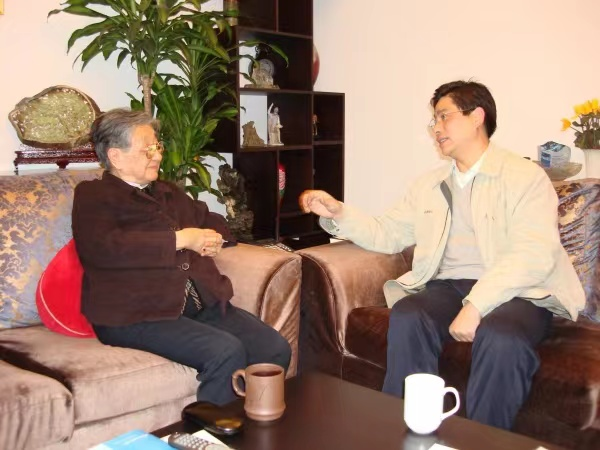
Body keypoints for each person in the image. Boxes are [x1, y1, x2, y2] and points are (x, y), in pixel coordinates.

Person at [299, 80, 585, 430]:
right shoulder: (429, 185)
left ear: (476, 117)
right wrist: (338, 213)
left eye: (444, 116)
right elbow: (388, 232)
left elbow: (533, 254)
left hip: (523, 292)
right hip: (451, 286)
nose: (436, 128)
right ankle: (406, 432)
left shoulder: (525, 178)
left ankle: (482, 441)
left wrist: (476, 305)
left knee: (501, 338)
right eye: (434, 120)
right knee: (409, 314)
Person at [72, 108, 291, 405]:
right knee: (225, 352)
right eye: (147, 149)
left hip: (201, 304)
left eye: (157, 146)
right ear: (116, 156)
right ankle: (210, 430)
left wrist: (214, 240)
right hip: (136, 314)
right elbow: (104, 248)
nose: (158, 155)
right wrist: (182, 239)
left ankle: (254, 421)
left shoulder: (167, 192)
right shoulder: (94, 196)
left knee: (274, 349)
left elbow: (211, 220)